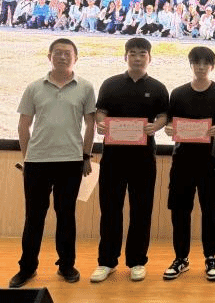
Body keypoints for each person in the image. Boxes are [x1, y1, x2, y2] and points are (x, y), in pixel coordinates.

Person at [10, 38, 96, 288]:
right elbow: (23, 125)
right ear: (49, 57)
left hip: (70, 162)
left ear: (76, 58)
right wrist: (27, 158)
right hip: (37, 162)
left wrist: (86, 155)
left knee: (66, 216)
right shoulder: (34, 87)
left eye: (67, 53)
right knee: (34, 217)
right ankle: (27, 268)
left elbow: (91, 124)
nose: (62, 57)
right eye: (57, 53)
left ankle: (67, 265)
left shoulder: (85, 87)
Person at [91, 38, 169, 283]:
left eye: (142, 53)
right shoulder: (110, 84)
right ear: (125, 56)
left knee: (141, 210)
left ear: (149, 58)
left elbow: (164, 115)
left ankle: (137, 261)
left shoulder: (158, 87)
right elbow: (101, 111)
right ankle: (107, 261)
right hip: (113, 157)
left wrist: (156, 126)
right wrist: (100, 123)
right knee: (110, 209)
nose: (137, 57)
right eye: (132, 53)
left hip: (143, 158)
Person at [162, 47, 215, 281]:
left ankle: (211, 257)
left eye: (205, 63)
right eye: (196, 63)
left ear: (212, 66)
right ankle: (181, 258)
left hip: (210, 161)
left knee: (210, 211)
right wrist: (168, 128)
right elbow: (170, 123)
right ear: (190, 65)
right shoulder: (178, 93)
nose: (201, 67)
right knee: (180, 211)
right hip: (182, 162)